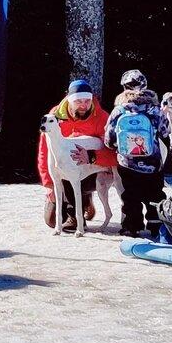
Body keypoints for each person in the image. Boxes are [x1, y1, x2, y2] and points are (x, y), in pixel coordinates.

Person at [38, 79, 116, 230]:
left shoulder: (102, 118)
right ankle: (84, 200)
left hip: (92, 170)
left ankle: (75, 216)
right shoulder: (54, 116)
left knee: (69, 169)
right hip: (64, 169)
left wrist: (92, 157)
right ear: (69, 100)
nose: (83, 105)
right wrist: (48, 185)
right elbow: (44, 152)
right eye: (78, 101)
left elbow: (115, 153)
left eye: (87, 100)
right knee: (51, 221)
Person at [106, 69, 172, 236]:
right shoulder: (155, 109)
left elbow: (109, 139)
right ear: (145, 85)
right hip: (153, 162)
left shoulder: (119, 110)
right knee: (155, 194)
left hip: (127, 162)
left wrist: (116, 148)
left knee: (130, 195)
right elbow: (165, 133)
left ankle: (131, 226)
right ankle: (156, 226)